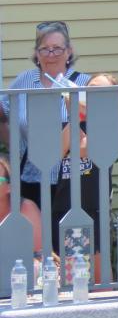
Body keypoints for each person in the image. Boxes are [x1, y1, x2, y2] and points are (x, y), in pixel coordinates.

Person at [2, 21, 91, 208]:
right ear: (36, 53)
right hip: (30, 178)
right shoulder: (24, 81)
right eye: (44, 49)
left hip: (71, 178)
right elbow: (3, 112)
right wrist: (14, 143)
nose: (51, 55)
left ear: (68, 51)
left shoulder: (84, 83)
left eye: (57, 48)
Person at [52, 71, 116, 284]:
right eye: (90, 90)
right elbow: (56, 153)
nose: (93, 96)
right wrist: (74, 118)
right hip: (65, 205)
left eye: (101, 92)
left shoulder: (108, 127)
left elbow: (86, 148)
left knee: (99, 277)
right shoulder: (71, 125)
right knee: (75, 278)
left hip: (93, 207)